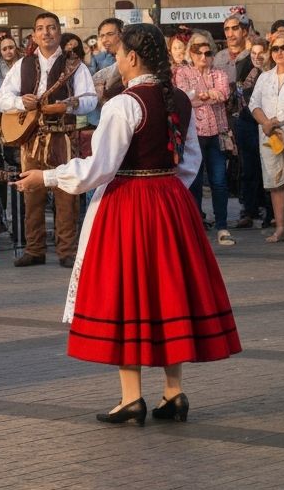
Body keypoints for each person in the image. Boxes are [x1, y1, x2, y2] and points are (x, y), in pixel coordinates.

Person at [14, 23, 240, 425]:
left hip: (129, 206)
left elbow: (99, 168)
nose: (115, 60)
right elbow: (189, 161)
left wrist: (45, 177)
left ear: (133, 57)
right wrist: (167, 190)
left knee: (127, 293)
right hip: (170, 203)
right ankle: (173, 393)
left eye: (118, 54)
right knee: (167, 292)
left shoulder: (124, 103)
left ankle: (131, 397)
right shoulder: (180, 100)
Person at [0, 12, 97, 267]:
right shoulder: (23, 65)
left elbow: (90, 99)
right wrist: (21, 101)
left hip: (63, 137)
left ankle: (67, 251)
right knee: (32, 194)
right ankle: (35, 249)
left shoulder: (76, 66)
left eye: (51, 28)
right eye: (41, 28)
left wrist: (71, 104)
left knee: (66, 194)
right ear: (34, 35)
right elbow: (2, 99)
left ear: (59, 33)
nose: (46, 33)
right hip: (31, 138)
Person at [173, 35, 235, 245]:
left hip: (217, 133)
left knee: (219, 181)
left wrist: (201, 95)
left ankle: (222, 226)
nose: (203, 56)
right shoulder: (182, 72)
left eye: (207, 52)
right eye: (198, 51)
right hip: (194, 134)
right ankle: (195, 226)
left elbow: (224, 93)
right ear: (191, 52)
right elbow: (184, 97)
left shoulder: (219, 73)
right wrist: (208, 95)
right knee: (195, 182)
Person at [249, 29, 284, 243]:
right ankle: (281, 227)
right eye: (275, 48)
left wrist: (276, 122)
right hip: (269, 136)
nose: (279, 52)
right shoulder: (264, 78)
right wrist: (267, 124)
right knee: (276, 183)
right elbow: (254, 104)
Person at [233, 36, 270, 229]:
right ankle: (249, 210)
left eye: (260, 53)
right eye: (253, 53)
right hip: (246, 123)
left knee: (269, 168)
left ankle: (270, 212)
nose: (257, 56)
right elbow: (238, 94)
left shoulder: (272, 72)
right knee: (248, 168)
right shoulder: (244, 67)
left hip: (268, 123)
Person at [213, 13, 252, 84]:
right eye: (227, 29)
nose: (230, 34)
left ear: (244, 32)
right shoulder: (219, 56)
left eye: (235, 28)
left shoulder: (253, 55)